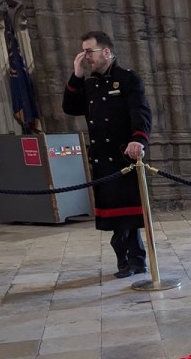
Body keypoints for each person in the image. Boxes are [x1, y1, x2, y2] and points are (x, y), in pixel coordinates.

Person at [63, 31, 152, 278]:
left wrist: (138, 140)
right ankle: (124, 261)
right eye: (82, 52)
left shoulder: (127, 79)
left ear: (106, 52)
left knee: (128, 217)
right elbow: (70, 107)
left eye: (89, 52)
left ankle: (135, 260)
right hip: (102, 160)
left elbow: (140, 111)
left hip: (123, 158)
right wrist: (77, 75)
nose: (85, 57)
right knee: (114, 218)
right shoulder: (90, 84)